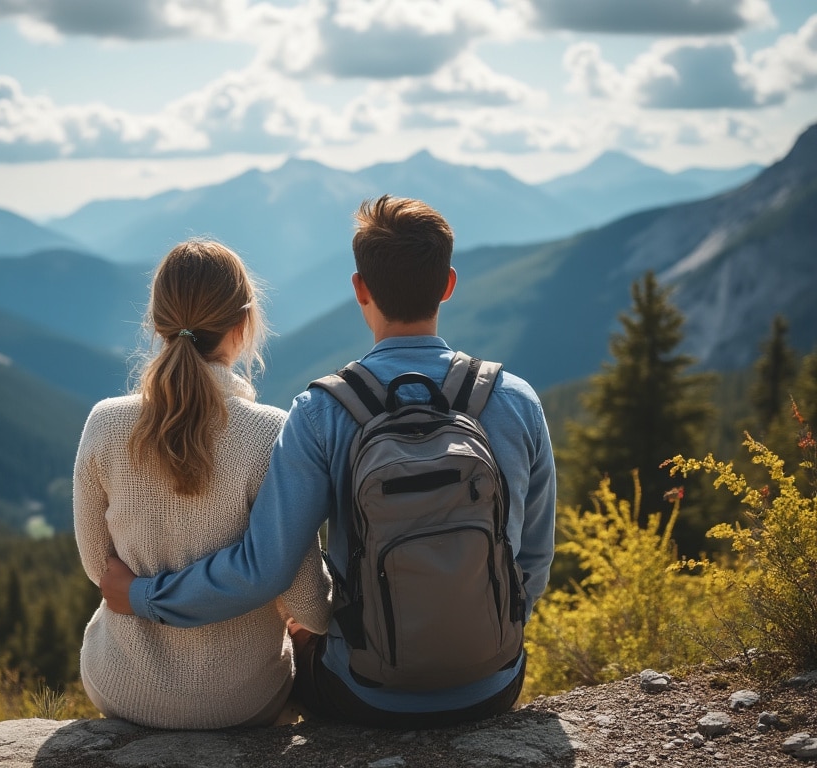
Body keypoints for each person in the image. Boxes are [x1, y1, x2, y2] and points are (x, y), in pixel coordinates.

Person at [101, 196, 556, 728]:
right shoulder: (515, 400)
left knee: (302, 644)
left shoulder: (321, 413)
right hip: (493, 682)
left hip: (366, 694)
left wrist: (142, 596)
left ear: (360, 289)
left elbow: (263, 569)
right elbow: (532, 561)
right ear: (449, 285)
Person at [73, 239, 331, 730]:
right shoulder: (268, 434)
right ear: (244, 324)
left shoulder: (105, 424)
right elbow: (312, 610)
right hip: (243, 699)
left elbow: (99, 571)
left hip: (120, 686)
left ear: (156, 323)